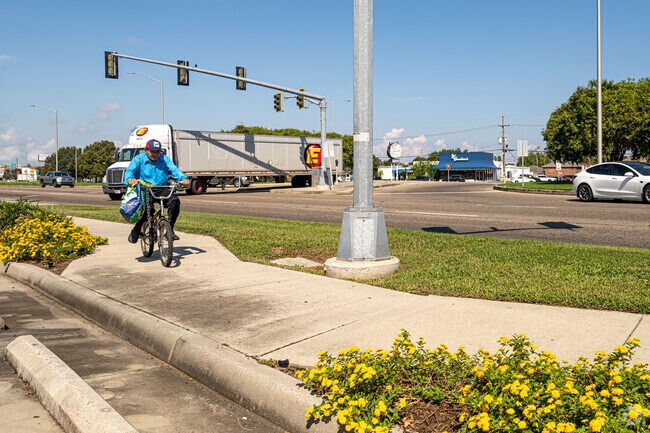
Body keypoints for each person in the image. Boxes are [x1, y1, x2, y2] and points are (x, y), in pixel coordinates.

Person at [124, 139, 190, 243]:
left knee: (175, 202)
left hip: (161, 189)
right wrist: (130, 179)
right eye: (152, 151)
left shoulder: (165, 159)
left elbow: (174, 170)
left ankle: (170, 230)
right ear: (146, 150)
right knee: (147, 210)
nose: (155, 154)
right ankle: (136, 229)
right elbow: (129, 171)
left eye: (157, 151)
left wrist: (183, 179)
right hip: (144, 189)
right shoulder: (139, 159)